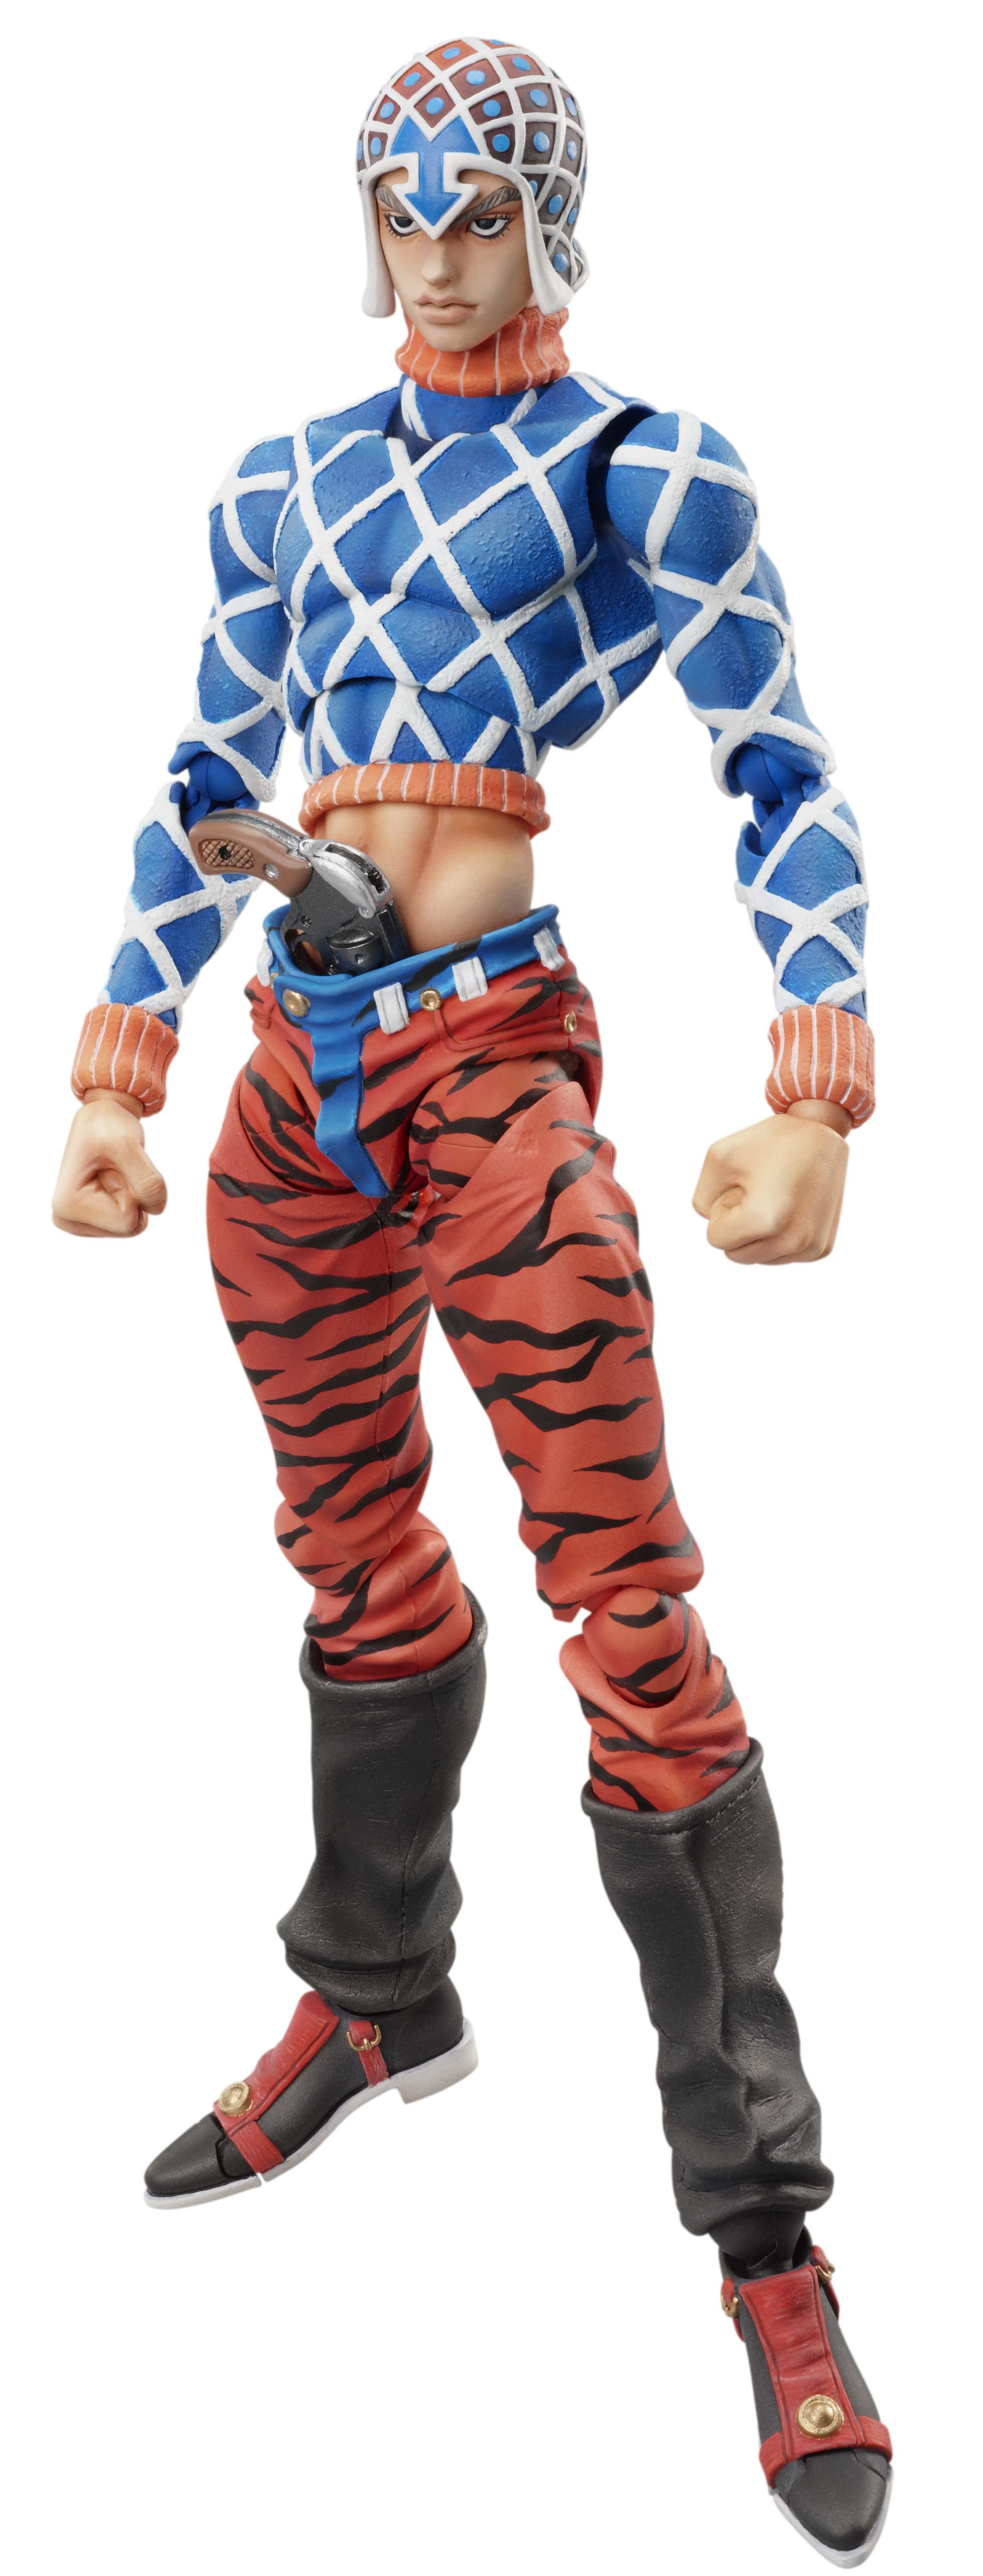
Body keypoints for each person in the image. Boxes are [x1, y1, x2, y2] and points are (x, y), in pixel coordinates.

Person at [52, 38, 890, 2565]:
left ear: (550, 214)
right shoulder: (283, 478)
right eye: (403, 200)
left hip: (495, 1077)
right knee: (350, 1555)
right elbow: (204, 755)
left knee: (629, 1605)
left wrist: (816, 1082)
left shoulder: (643, 466)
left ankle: (767, 2241)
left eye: (481, 200)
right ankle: (378, 1984)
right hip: (290, 1089)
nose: (438, 242)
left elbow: (781, 768)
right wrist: (115, 1052)